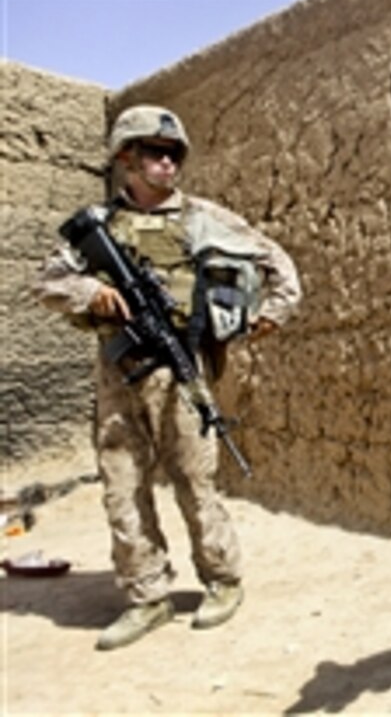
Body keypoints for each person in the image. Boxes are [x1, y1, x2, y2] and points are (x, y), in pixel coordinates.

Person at [34, 105, 302, 650]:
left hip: (181, 368)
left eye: (173, 153)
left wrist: (275, 309)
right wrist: (93, 294)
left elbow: (277, 262)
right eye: (155, 152)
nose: (167, 162)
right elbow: (48, 280)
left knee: (194, 479)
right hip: (118, 371)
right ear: (125, 159)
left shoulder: (204, 217)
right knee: (122, 485)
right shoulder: (98, 226)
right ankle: (147, 595)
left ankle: (223, 580)